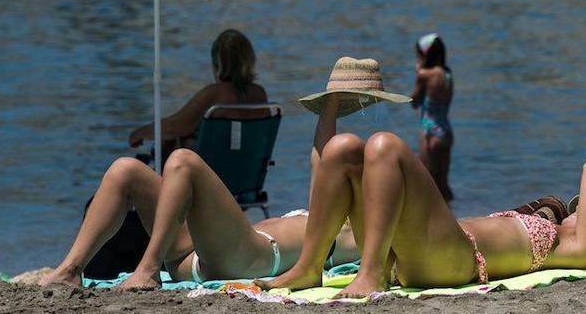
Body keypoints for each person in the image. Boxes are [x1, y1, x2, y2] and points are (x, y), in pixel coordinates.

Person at [40, 57, 411, 289]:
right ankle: (71, 269)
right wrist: (332, 103)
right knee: (126, 170)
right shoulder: (328, 207)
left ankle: (148, 268)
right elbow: (323, 154)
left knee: (183, 161)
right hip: (199, 257)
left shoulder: (362, 232)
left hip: (248, 256)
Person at [258, 134, 586, 298]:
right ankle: (310, 266)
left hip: (458, 261)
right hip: (427, 250)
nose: (574, 213)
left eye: (584, 211)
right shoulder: (565, 236)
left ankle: (371, 271)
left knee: (385, 147)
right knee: (342, 149)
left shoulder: (584, 249)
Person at [128, 29, 267, 161]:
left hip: (210, 176)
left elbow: (174, 127)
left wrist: (139, 133)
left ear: (217, 64)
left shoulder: (215, 93)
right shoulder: (260, 95)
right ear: (250, 61)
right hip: (246, 176)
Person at [411, 33, 454, 201]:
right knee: (443, 184)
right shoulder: (447, 73)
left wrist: (418, 72)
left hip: (430, 131)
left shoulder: (425, 75)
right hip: (445, 131)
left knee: (426, 182)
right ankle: (453, 215)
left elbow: (414, 101)